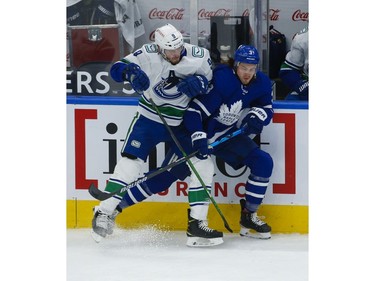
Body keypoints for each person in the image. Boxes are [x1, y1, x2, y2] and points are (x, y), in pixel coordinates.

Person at [106, 45, 274, 247]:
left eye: (252, 68)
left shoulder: (261, 82)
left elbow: (266, 105)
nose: (247, 73)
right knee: (164, 177)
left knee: (263, 162)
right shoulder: (222, 79)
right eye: (244, 67)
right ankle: (115, 207)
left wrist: (259, 116)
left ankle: (248, 216)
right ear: (235, 65)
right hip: (195, 133)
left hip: (226, 135)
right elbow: (194, 112)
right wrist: (199, 137)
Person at [91, 23, 220, 242]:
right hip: (149, 119)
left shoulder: (199, 56)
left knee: (203, 164)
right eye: (170, 51)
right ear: (159, 48)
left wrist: (199, 83)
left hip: (181, 122)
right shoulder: (147, 54)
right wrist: (129, 72)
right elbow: (116, 69)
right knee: (129, 165)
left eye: (178, 48)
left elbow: (210, 83)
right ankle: (103, 212)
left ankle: (197, 224)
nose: (176, 54)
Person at [279, 27, 308, 101]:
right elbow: (287, 70)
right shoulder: (302, 38)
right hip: (308, 91)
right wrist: (301, 85)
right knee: (287, 107)